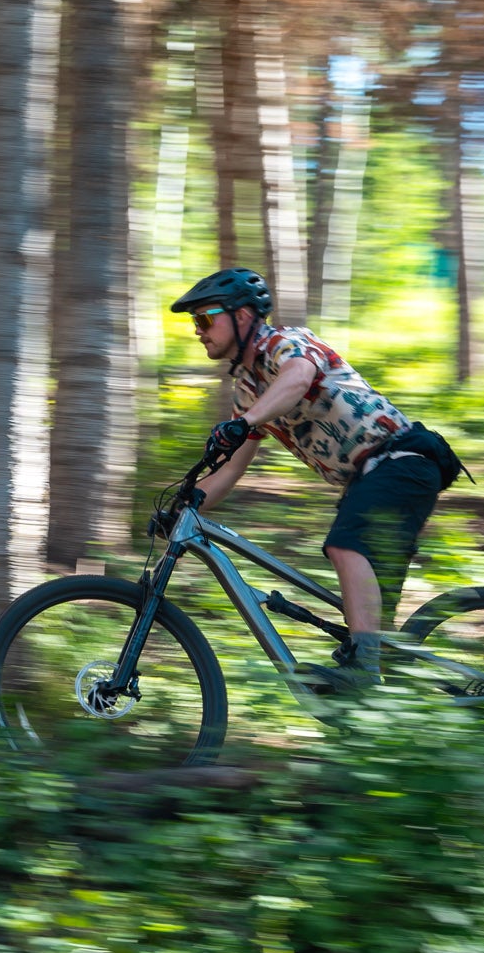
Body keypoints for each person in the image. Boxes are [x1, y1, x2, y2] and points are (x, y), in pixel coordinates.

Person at [167, 267, 466, 690]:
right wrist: (184, 506)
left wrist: (248, 420)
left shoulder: (287, 344)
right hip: (373, 478)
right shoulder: (249, 392)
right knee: (372, 622)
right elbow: (231, 468)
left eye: (204, 319)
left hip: (403, 459)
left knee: (345, 546)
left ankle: (363, 672)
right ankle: (395, 709)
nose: (198, 331)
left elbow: (299, 377)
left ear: (243, 315)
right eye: (194, 323)